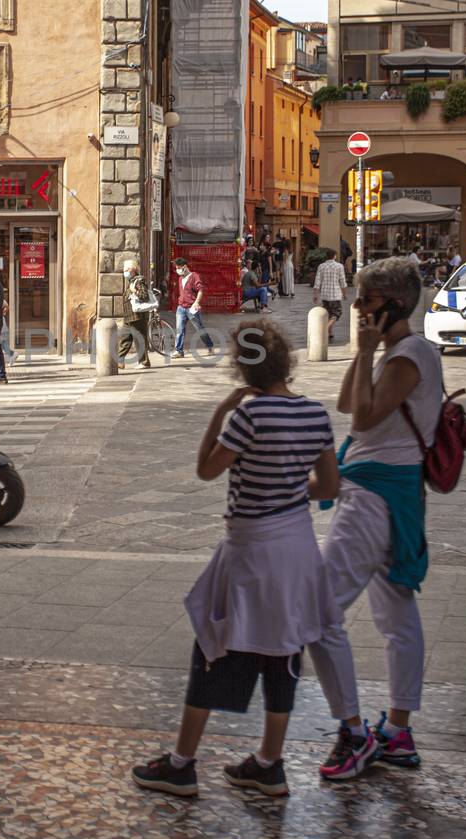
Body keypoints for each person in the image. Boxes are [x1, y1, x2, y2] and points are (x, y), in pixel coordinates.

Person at [131, 321, 341, 799]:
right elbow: (329, 488)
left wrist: (220, 413)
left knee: (213, 644)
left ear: (243, 368)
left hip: (250, 550)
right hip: (298, 548)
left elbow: (207, 470)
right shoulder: (314, 414)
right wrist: (288, 493)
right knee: (284, 652)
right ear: (286, 362)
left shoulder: (248, 417)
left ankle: (182, 764)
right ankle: (269, 764)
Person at [307, 257, 445, 781]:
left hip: (373, 497)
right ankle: (399, 732)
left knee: (319, 610)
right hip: (388, 494)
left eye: (366, 301)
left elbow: (364, 419)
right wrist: (362, 356)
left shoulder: (410, 355)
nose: (357, 308)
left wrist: (367, 353)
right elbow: (349, 403)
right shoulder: (395, 354)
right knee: (396, 617)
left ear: (395, 305)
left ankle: (354, 732)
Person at [118, 259, 154, 369]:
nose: (124, 272)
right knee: (124, 338)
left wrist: (134, 291)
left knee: (139, 339)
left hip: (137, 317)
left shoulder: (139, 280)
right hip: (129, 317)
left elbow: (144, 296)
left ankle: (144, 362)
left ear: (132, 270)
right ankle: (119, 361)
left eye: (126, 270)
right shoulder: (132, 281)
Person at [172, 257, 209, 358]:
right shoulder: (180, 278)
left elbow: (200, 290)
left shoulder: (194, 276)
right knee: (179, 329)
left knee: (199, 328)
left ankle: (209, 345)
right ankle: (179, 351)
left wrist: (196, 302)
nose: (177, 270)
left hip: (192, 308)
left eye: (178, 267)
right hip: (181, 308)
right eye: (176, 268)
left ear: (185, 267)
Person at [313, 248, 348, 339]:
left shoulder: (321, 266)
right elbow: (343, 282)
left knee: (328, 313)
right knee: (337, 313)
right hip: (335, 295)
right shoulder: (339, 266)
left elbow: (317, 282)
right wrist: (344, 294)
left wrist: (315, 295)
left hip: (324, 295)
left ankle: (330, 333)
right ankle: (326, 328)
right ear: (334, 256)